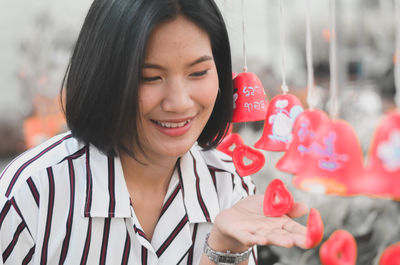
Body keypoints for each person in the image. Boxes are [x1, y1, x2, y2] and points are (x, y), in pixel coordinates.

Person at [0, 0, 308, 264]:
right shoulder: (33, 194)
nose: (179, 102)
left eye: (198, 72)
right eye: (150, 77)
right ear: (104, 78)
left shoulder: (230, 188)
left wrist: (224, 251)